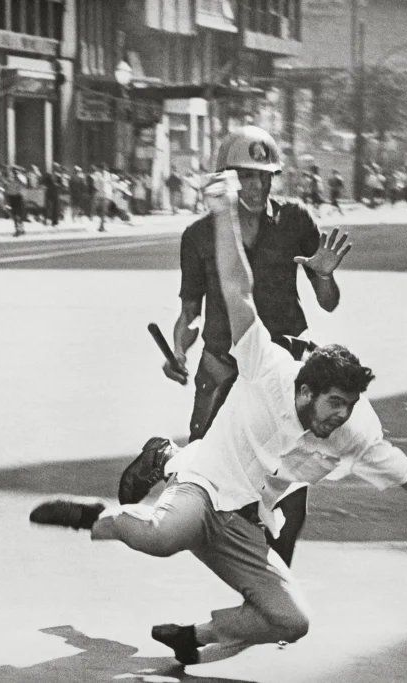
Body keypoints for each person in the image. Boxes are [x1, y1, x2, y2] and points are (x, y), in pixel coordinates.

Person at [29, 169, 407, 665]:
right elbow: (235, 288)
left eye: (350, 407)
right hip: (205, 487)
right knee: (164, 536)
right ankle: (98, 515)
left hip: (247, 518)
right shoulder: (268, 368)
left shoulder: (353, 430)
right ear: (306, 390)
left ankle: (194, 636)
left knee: (293, 619)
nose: (341, 418)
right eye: (334, 404)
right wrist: (223, 212)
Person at [118, 126, 346, 565]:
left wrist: (324, 274)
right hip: (224, 367)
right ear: (227, 178)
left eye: (265, 176)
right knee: (205, 480)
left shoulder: (297, 222)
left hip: (284, 375)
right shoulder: (201, 235)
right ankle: (162, 458)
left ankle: (274, 590)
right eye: (246, 176)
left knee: (289, 498)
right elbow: (189, 312)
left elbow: (329, 303)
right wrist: (179, 350)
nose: (257, 186)